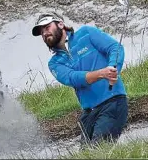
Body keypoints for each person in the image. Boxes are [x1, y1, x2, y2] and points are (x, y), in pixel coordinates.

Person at [31, 12, 128, 148]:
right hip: (89, 113)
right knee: (86, 154)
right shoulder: (54, 63)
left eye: (47, 27)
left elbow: (114, 48)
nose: (44, 33)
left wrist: (113, 67)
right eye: (41, 32)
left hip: (113, 102)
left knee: (98, 152)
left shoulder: (87, 33)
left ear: (60, 24)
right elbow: (72, 78)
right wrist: (101, 73)